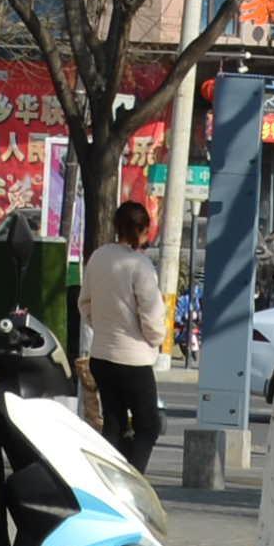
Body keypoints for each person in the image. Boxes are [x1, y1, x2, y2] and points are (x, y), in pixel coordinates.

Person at [79, 198, 173, 469]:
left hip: (102, 355)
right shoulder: (140, 265)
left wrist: (103, 327)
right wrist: (155, 339)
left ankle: (111, 476)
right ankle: (134, 477)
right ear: (142, 229)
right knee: (149, 425)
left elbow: (85, 303)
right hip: (133, 360)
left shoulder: (98, 257)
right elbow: (152, 317)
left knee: (114, 422)